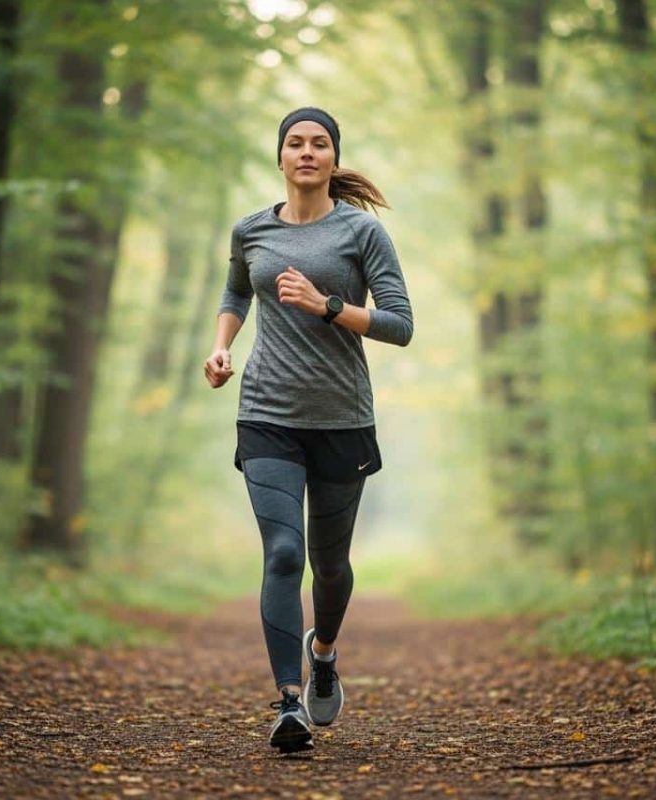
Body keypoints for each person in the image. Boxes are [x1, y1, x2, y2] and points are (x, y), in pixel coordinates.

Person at [203, 107, 414, 754]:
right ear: (280, 157)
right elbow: (237, 294)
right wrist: (221, 348)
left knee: (329, 565)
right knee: (284, 555)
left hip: (341, 418)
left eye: (319, 144)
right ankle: (290, 703)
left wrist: (327, 306)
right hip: (266, 411)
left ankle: (323, 652)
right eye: (295, 143)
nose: (306, 152)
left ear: (332, 157)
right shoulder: (252, 230)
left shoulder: (362, 234)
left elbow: (399, 325)